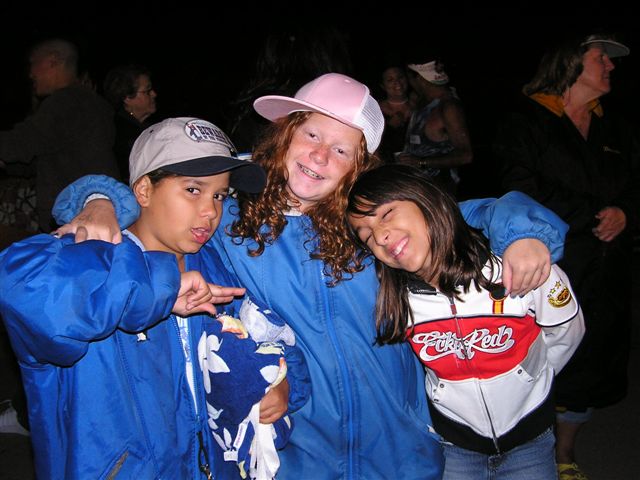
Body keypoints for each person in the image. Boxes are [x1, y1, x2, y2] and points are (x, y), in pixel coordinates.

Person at [53, 73, 568, 479]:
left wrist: (525, 234)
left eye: (341, 149)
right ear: (286, 133)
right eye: (312, 134)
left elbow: (479, 212)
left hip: (401, 448)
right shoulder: (231, 211)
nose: (320, 155)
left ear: (359, 165)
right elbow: (161, 192)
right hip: (301, 454)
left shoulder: (377, 224)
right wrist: (98, 199)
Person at [0, 117, 309, 479]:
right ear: (144, 191)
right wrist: (156, 288)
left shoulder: (217, 267)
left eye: (219, 195)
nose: (211, 211)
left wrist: (283, 381)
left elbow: (275, 337)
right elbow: (23, 289)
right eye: (192, 189)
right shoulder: (89, 258)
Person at [347, 164, 585, 479]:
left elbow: (567, 330)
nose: (380, 235)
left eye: (387, 214)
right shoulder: (394, 299)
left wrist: (533, 376)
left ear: (424, 199)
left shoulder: (516, 265)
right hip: (453, 445)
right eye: (366, 235)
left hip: (530, 439)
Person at [493, 33, 640, 480]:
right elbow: (518, 186)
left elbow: (635, 182)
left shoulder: (614, 125)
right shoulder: (526, 119)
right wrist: (594, 214)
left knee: (592, 361)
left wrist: (625, 212)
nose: (610, 66)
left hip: (607, 267)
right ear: (569, 62)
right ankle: (519, 450)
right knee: (534, 358)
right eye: (601, 57)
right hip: (549, 265)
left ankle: (564, 453)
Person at [0, 38, 119, 232]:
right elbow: (47, 157)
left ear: (52, 61)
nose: (31, 73)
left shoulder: (65, 102)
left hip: (75, 217)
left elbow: (19, 143)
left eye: (33, 64)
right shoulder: (90, 104)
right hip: (94, 210)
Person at [397, 60, 473, 196]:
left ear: (419, 79)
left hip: (440, 191)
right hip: (417, 186)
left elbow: (466, 156)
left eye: (409, 78)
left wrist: (421, 162)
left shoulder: (449, 107)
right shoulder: (420, 100)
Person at [103, 64, 158, 183]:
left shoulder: (148, 127)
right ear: (127, 97)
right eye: (147, 91)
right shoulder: (118, 133)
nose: (154, 94)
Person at [376, 65, 417, 164]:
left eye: (400, 77)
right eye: (390, 80)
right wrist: (389, 127)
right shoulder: (376, 110)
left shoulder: (419, 106)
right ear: (383, 86)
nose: (397, 82)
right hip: (389, 166)